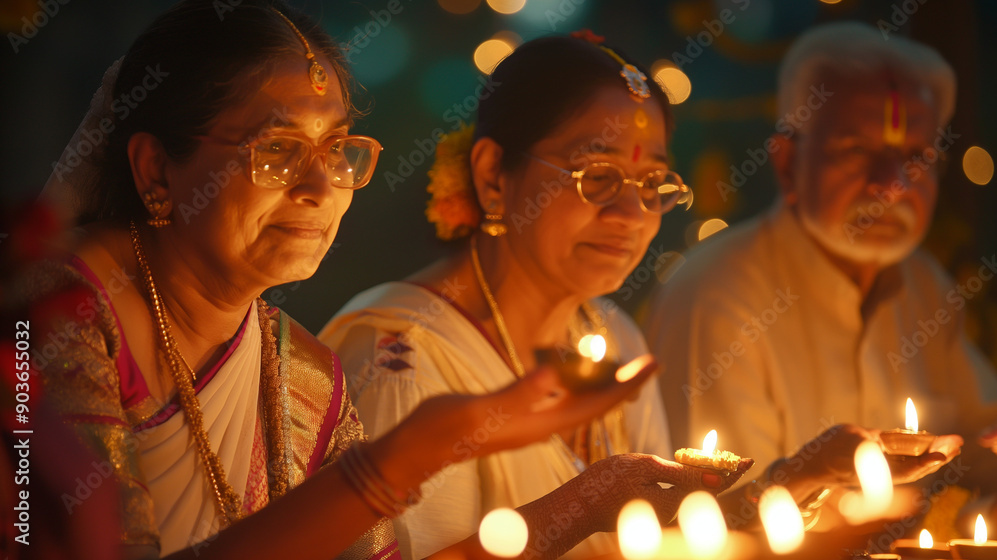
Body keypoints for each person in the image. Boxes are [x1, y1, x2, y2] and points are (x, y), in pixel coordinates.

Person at [28, 3, 740, 559]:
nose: (320, 188)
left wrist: (597, 500)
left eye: (337, 149)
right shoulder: (51, 323)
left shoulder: (304, 374)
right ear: (156, 169)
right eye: (277, 149)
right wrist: (410, 453)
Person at [319, 33, 701, 560]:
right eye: (598, 176)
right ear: (493, 175)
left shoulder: (615, 336)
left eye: (652, 181)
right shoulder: (398, 356)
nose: (632, 215)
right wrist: (582, 505)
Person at [643, 21, 997, 508]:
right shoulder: (716, 294)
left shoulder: (922, 284)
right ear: (788, 163)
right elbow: (716, 517)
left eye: (916, 157)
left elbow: (981, 440)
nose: (892, 184)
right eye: (857, 150)